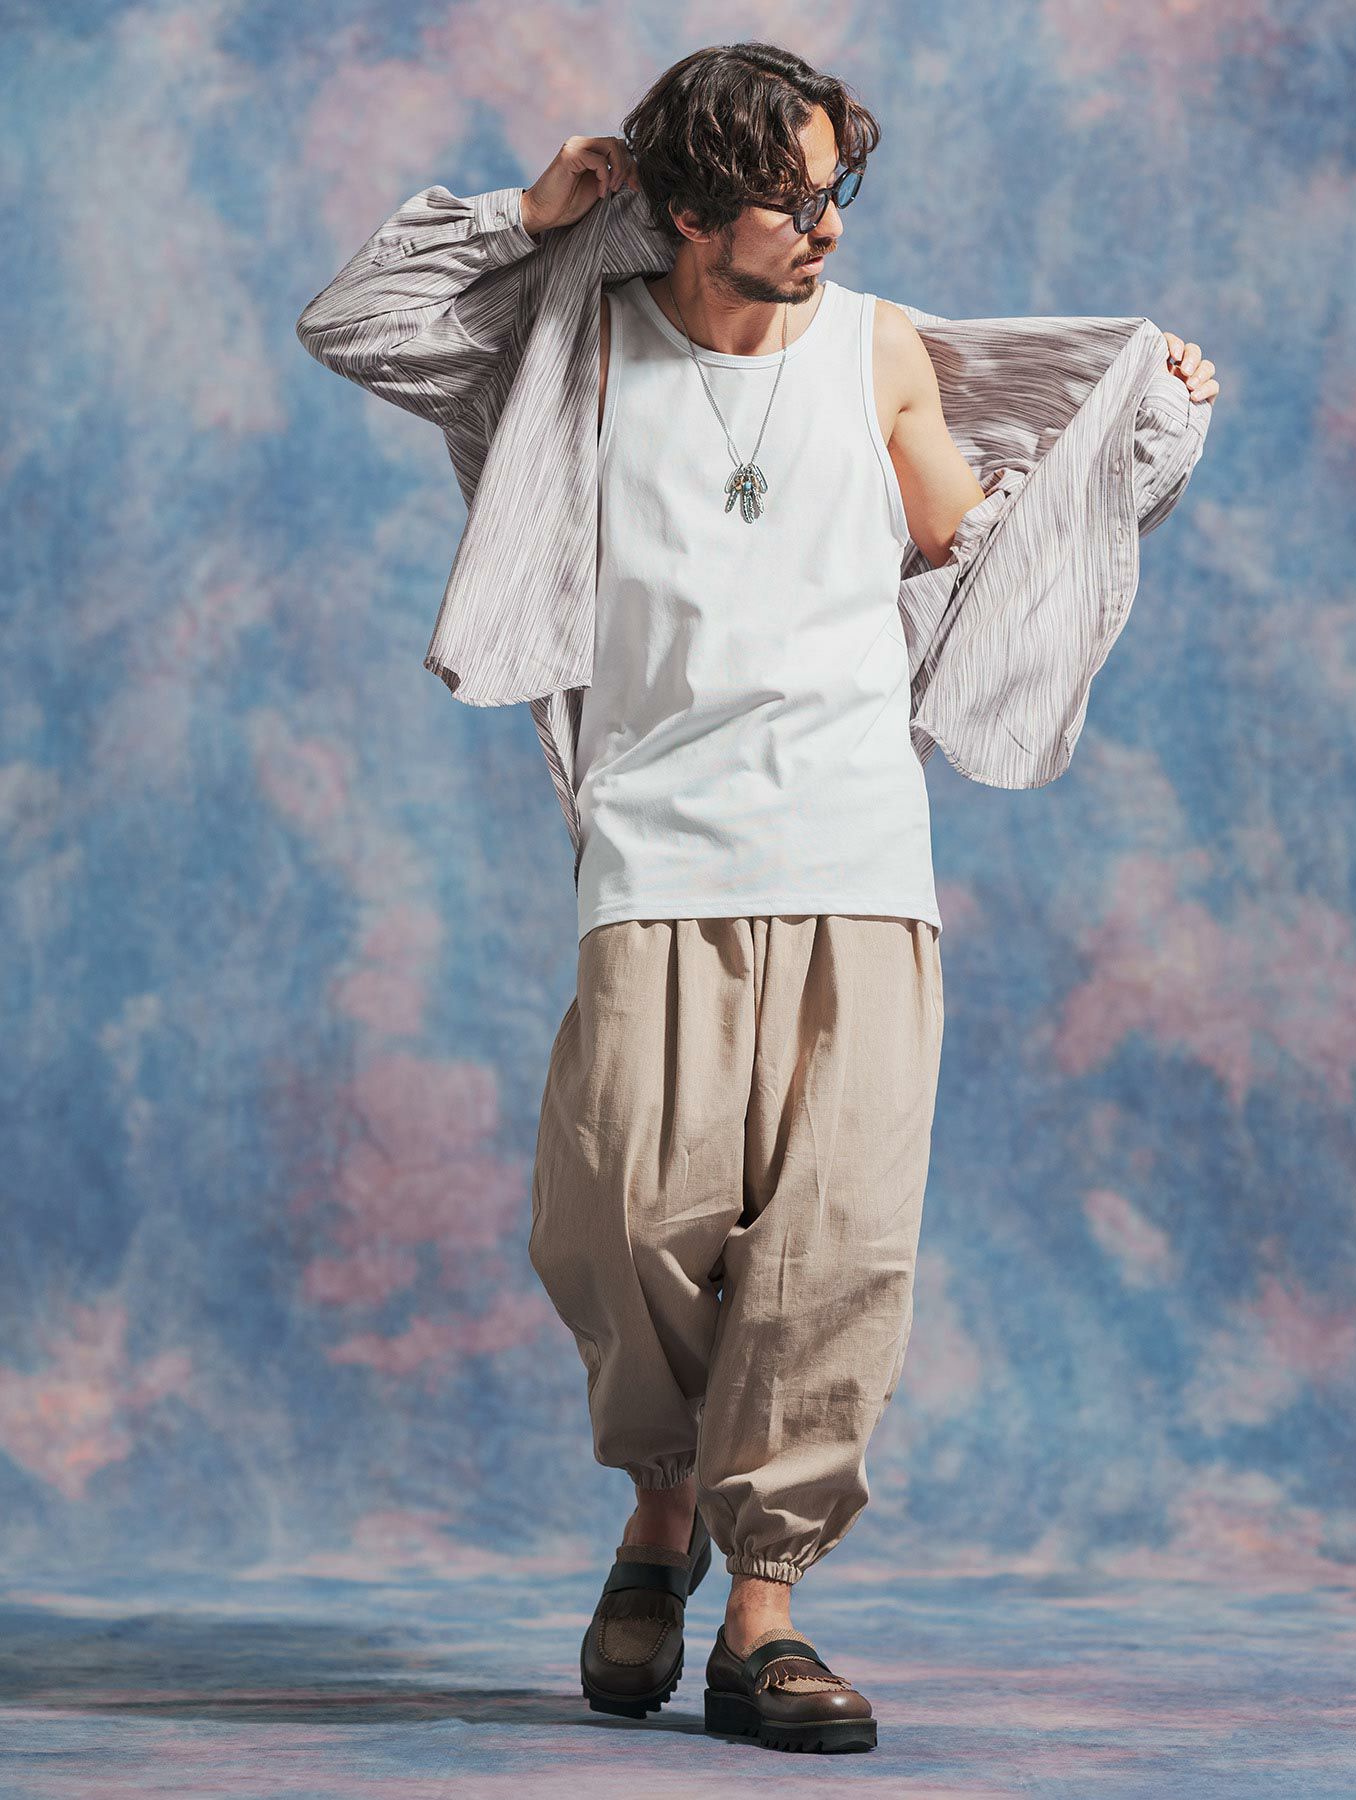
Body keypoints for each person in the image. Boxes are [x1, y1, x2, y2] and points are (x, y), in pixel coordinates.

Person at [296, 40, 1217, 1757]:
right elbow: (356, 323)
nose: (826, 223)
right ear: (683, 210)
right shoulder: (575, 344)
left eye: (835, 187)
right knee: (626, 1215)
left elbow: (969, 543)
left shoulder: (878, 348)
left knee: (835, 1244)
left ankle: (766, 1610)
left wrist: (1131, 440)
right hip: (655, 844)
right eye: (788, 199)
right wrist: (521, 215)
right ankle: (661, 1511)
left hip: (857, 852)